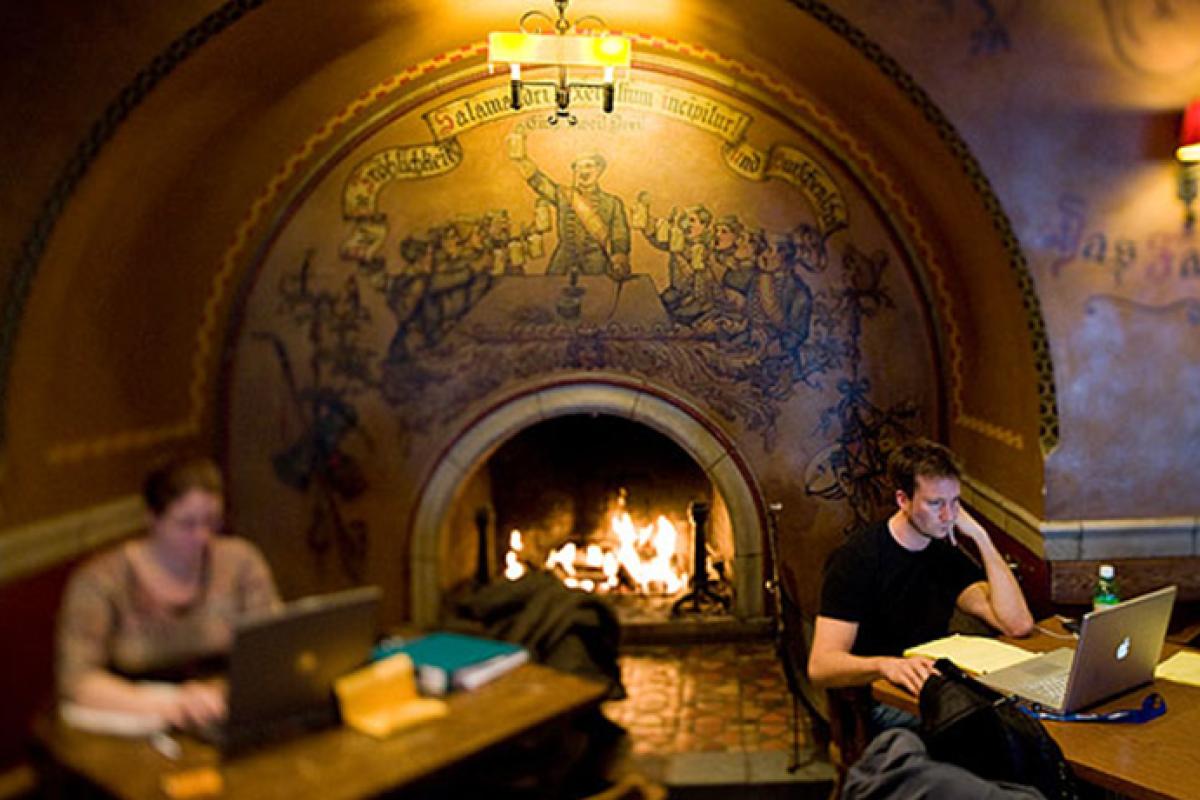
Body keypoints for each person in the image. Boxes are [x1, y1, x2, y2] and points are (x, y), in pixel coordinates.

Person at [807, 439, 1033, 733]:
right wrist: (886, 665)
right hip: (880, 697)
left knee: (1015, 721)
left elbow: (1016, 624)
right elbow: (820, 667)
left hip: (934, 689)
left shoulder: (943, 553)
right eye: (935, 503)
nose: (948, 516)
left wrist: (980, 537)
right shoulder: (858, 559)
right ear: (903, 500)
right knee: (992, 731)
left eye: (955, 503)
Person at [56, 456, 279, 730]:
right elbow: (77, 680)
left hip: (222, 708)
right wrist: (175, 703)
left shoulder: (239, 561)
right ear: (152, 518)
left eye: (211, 521)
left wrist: (219, 692)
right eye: (186, 524)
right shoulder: (101, 581)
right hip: (135, 715)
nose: (202, 536)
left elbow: (272, 647)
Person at [509, 131, 631, 279]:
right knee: (549, 291)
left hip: (596, 260)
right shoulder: (563, 195)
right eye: (578, 167)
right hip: (564, 259)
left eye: (589, 166)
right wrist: (522, 159)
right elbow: (539, 182)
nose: (584, 171)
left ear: (599, 170)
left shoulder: (613, 203)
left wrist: (619, 256)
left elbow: (620, 235)